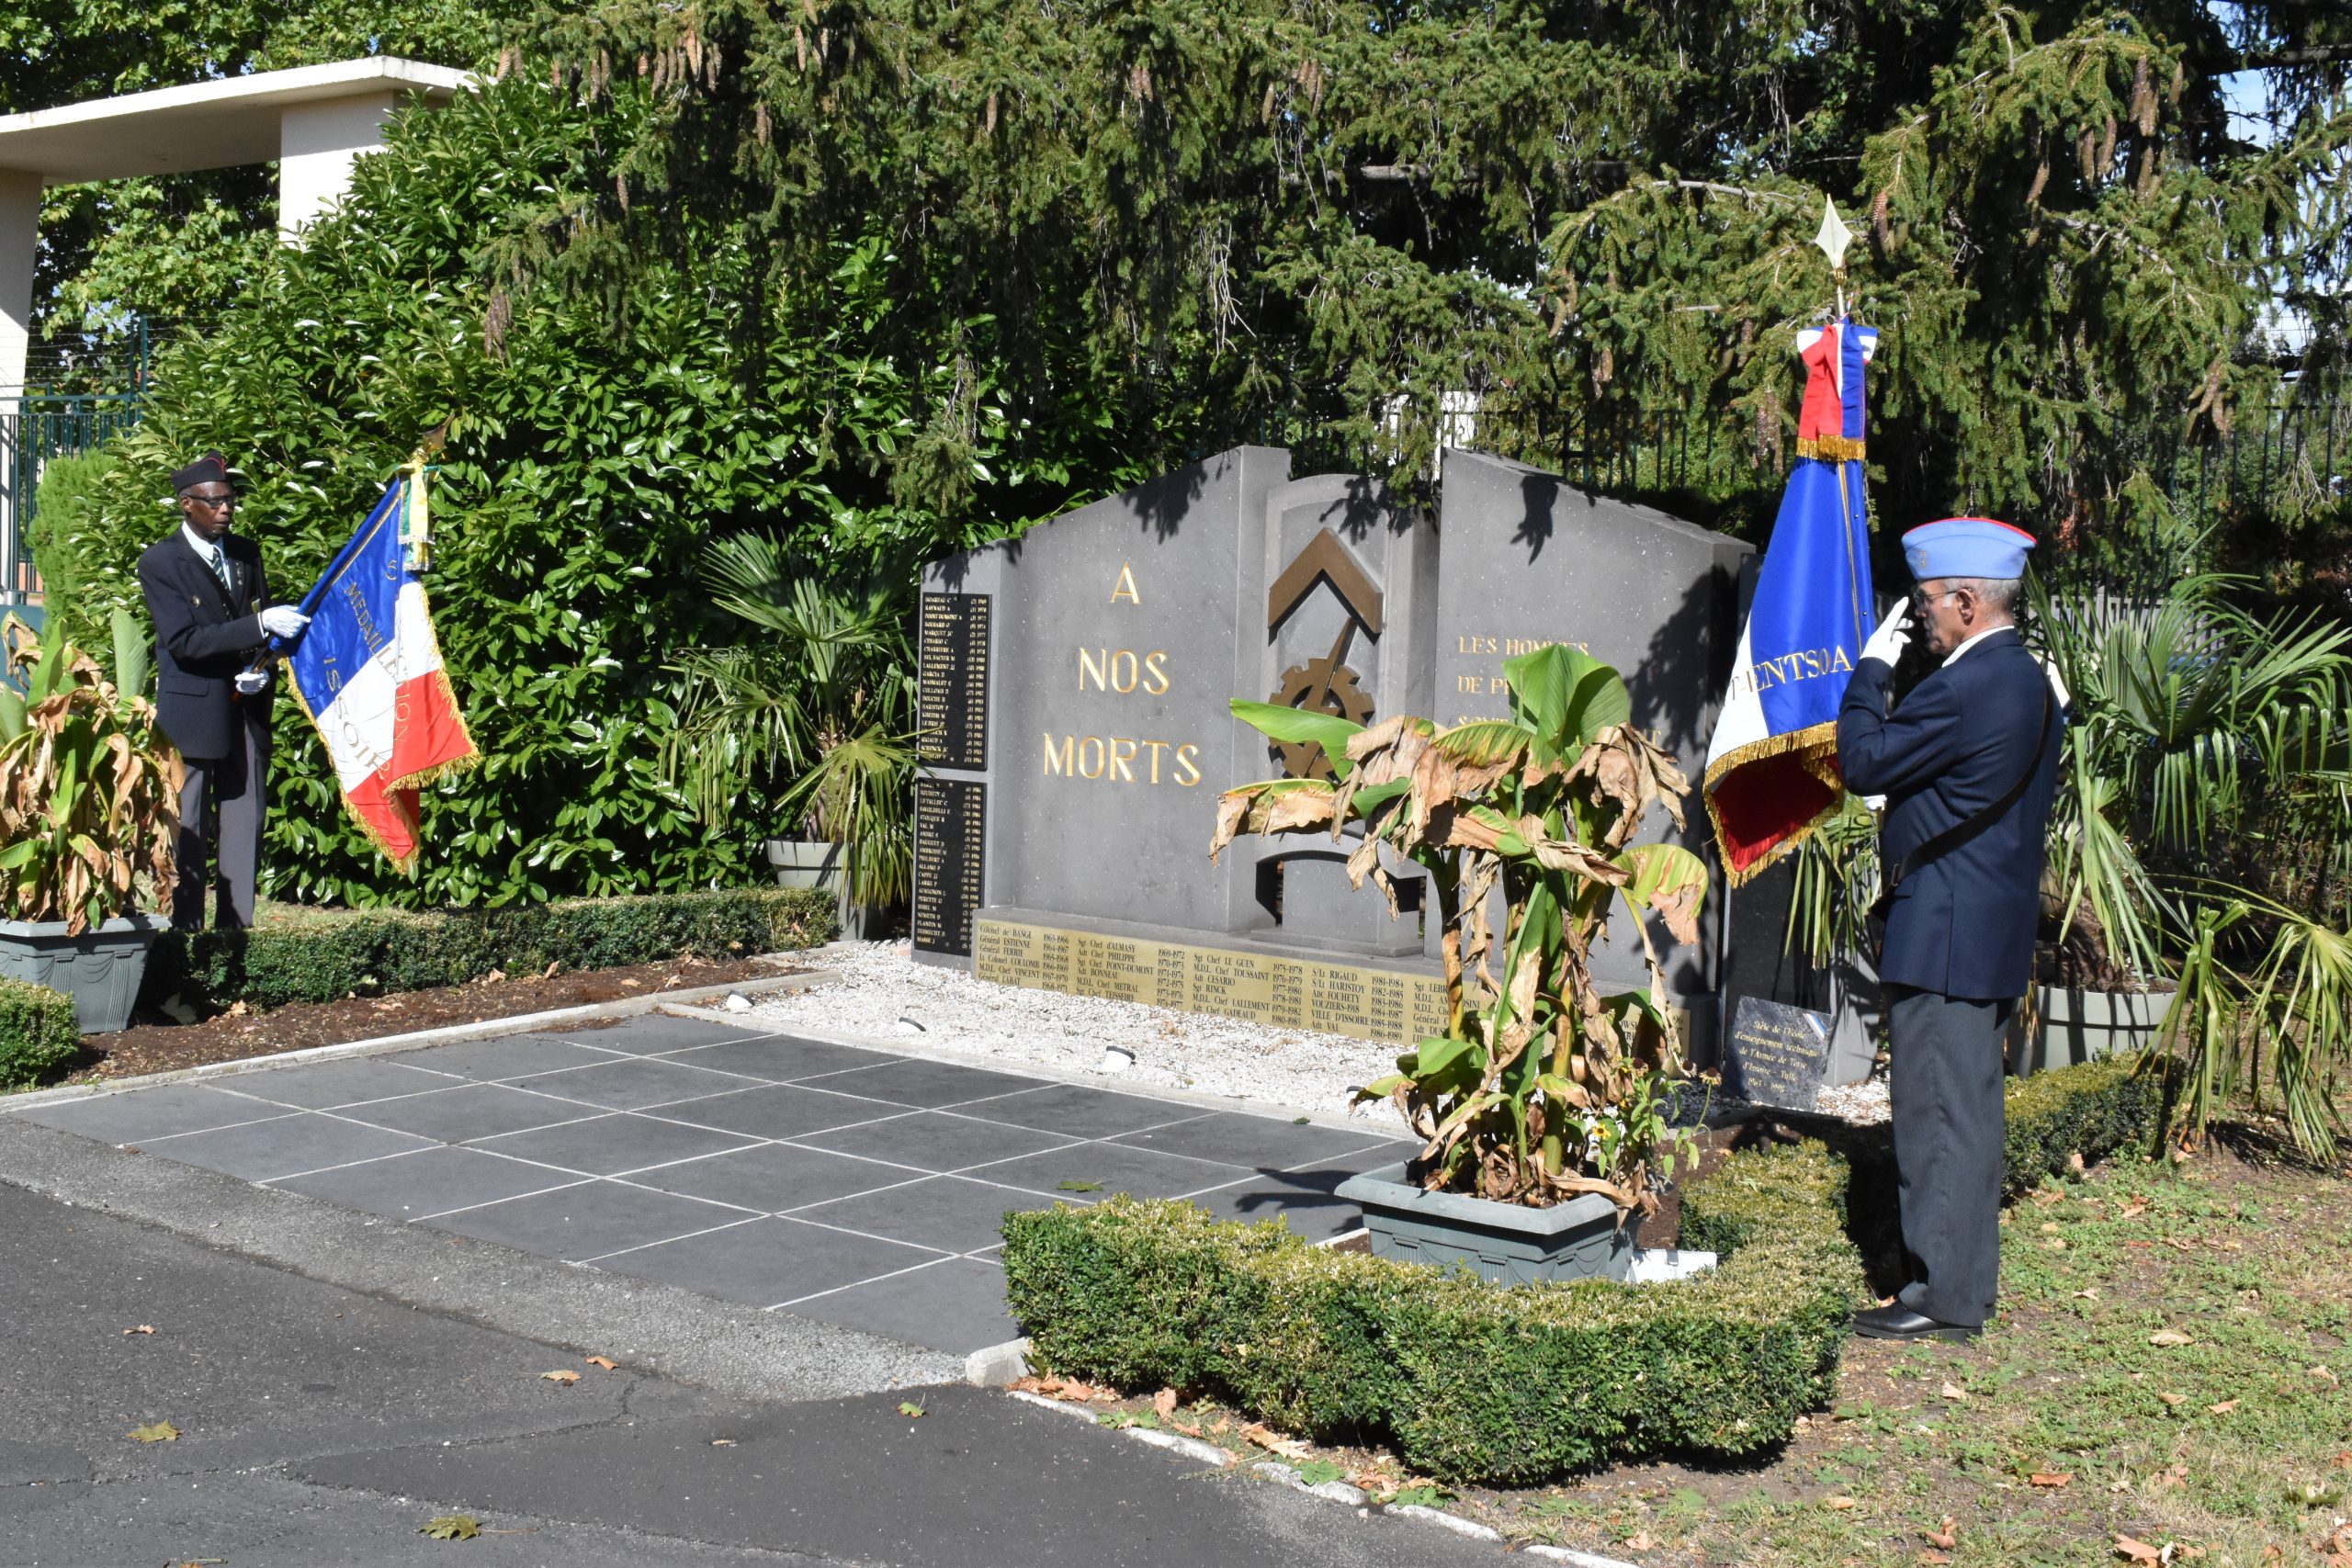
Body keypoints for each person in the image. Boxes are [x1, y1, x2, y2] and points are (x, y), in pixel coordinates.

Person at [1836, 516, 2064, 1343]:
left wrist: (1868, 670)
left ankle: (1940, 1296)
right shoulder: (2029, 683)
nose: (1919, 615)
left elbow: (1863, 758)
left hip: (1944, 932)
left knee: (1935, 1112)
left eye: (1928, 600)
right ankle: (1965, 1283)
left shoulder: (1965, 686)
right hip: (1987, 928)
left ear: (1968, 600)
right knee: (1968, 1113)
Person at [136, 452, 311, 930]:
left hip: (245, 704)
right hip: (194, 708)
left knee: (244, 816)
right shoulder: (161, 562)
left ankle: (236, 926)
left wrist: (264, 664)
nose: (225, 510)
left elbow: (265, 629)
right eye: (214, 502)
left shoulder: (246, 552)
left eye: (230, 500)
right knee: (188, 822)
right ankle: (186, 927)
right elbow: (184, 642)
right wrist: (256, 626)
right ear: (186, 505)